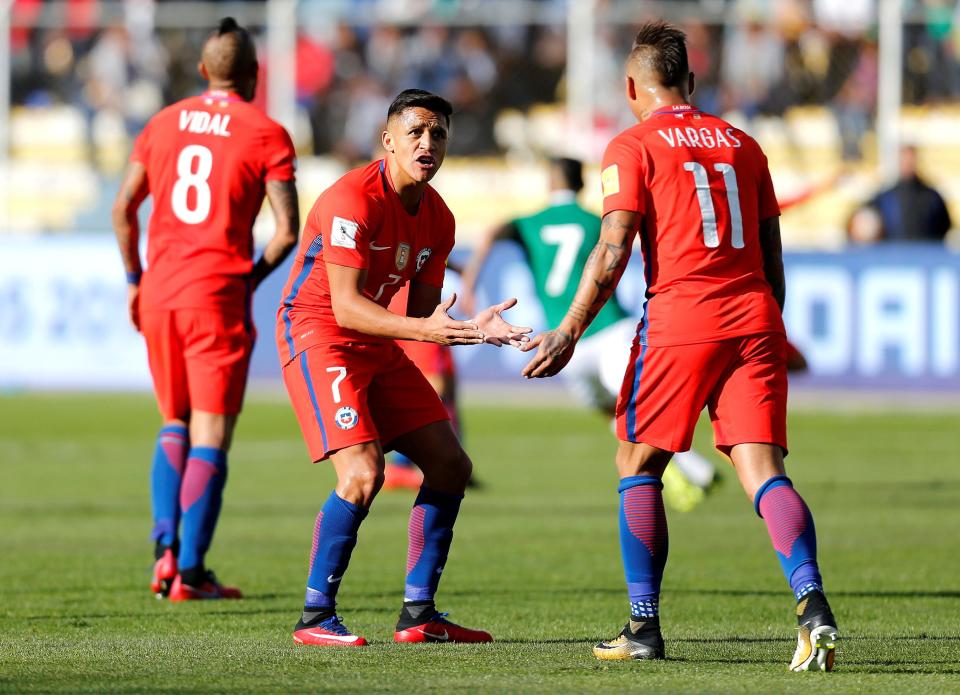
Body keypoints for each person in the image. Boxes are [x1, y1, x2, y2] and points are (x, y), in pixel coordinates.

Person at [521, 22, 839, 671]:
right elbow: (773, 260)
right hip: (753, 317)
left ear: (632, 86)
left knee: (637, 464)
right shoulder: (745, 145)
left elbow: (612, 250)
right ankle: (811, 603)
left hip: (680, 318)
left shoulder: (631, 145)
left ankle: (643, 625)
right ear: (692, 83)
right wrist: (767, 326)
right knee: (764, 470)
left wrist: (570, 329)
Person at [276, 88, 529, 647]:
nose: (427, 142)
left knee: (450, 465)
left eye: (437, 133)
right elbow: (344, 306)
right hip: (319, 334)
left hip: (376, 341)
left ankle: (418, 615)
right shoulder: (352, 199)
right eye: (414, 132)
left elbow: (422, 314)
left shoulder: (439, 218)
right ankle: (315, 617)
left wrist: (474, 328)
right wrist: (426, 331)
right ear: (386, 140)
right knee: (364, 473)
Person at [112, 18, 299, 602]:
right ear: (254, 75)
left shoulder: (162, 123)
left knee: (174, 421)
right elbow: (287, 231)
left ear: (202, 71)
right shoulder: (267, 133)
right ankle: (190, 574)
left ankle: (164, 552)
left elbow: (124, 211)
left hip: (161, 292)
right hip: (215, 293)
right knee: (211, 432)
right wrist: (249, 280)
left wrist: (135, 280)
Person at [460, 157, 716, 511]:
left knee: (623, 410)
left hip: (566, 339)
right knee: (626, 409)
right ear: (580, 185)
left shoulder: (528, 222)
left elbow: (489, 234)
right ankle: (688, 467)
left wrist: (471, 282)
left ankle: (685, 472)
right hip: (607, 327)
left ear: (550, 183)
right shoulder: (597, 220)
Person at [382, 281, 463, 492]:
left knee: (447, 380)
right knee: (435, 384)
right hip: (417, 302)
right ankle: (402, 467)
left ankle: (453, 457)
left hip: (427, 296)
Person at [866, 145, 951, 242]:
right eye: (904, 160)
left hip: (925, 253)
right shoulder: (884, 198)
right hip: (892, 254)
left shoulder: (932, 197)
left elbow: (945, 226)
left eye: (910, 160)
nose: (907, 164)